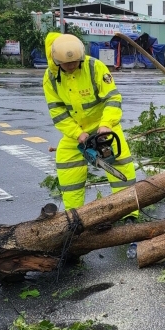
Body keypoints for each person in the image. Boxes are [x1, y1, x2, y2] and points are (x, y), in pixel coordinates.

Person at [42, 32, 139, 232]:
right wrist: (78, 134)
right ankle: (74, 218)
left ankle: (129, 215)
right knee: (67, 166)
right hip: (75, 131)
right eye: (67, 64)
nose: (71, 66)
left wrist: (106, 125)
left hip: (103, 124)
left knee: (122, 163)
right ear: (56, 60)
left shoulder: (95, 67)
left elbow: (112, 98)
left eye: (75, 62)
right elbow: (57, 112)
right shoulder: (50, 78)